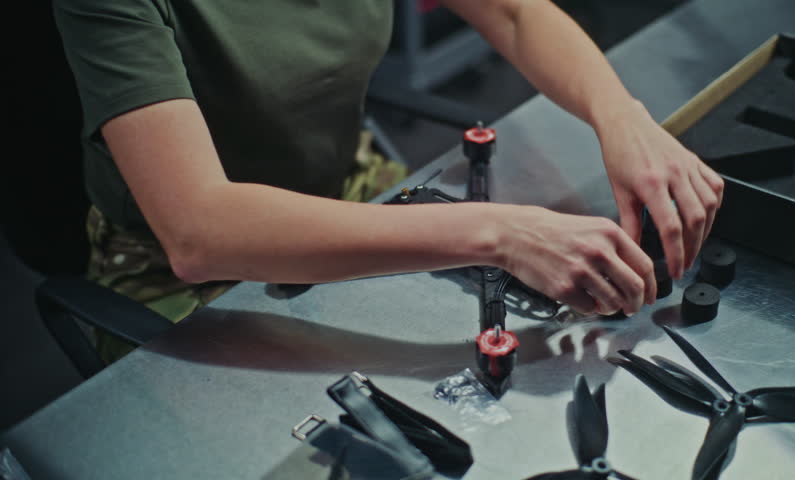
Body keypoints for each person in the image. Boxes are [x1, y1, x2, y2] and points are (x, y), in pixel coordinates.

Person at [53, 0, 723, 350]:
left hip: (351, 184)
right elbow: (198, 231)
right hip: (180, 272)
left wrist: (621, 114)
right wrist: (502, 233)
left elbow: (514, 12)